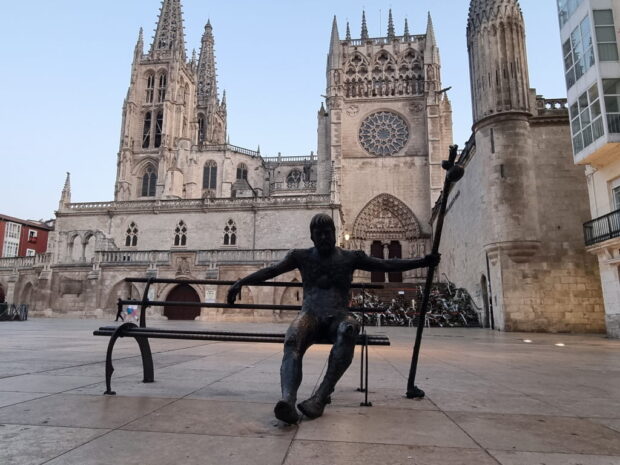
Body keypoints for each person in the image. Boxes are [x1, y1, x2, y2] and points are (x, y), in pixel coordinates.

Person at [227, 213, 439, 424]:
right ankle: (288, 400)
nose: (323, 238)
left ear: (335, 233)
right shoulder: (300, 256)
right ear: (312, 236)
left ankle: (320, 397)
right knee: (292, 338)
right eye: (318, 234)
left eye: (327, 233)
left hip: (339, 316)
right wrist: (240, 282)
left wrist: (422, 261)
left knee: (349, 329)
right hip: (310, 315)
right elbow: (271, 271)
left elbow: (386, 265)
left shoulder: (350, 257)